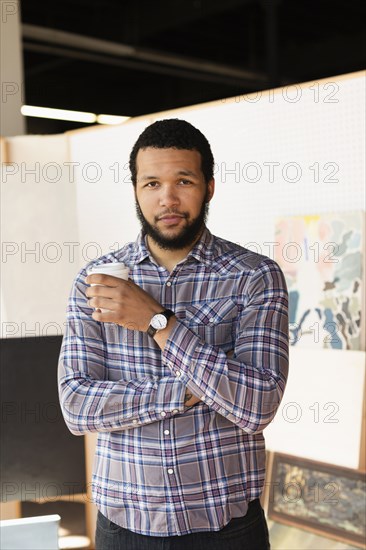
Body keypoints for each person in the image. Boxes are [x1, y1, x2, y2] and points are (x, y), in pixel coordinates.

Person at [58, 118, 289, 550]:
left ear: (209, 186)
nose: (168, 199)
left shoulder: (254, 276)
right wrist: (190, 390)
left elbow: (257, 405)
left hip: (227, 530)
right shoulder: (94, 282)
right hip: (123, 529)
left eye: (183, 180)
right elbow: (76, 406)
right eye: (151, 184)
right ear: (135, 191)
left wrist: (157, 321)